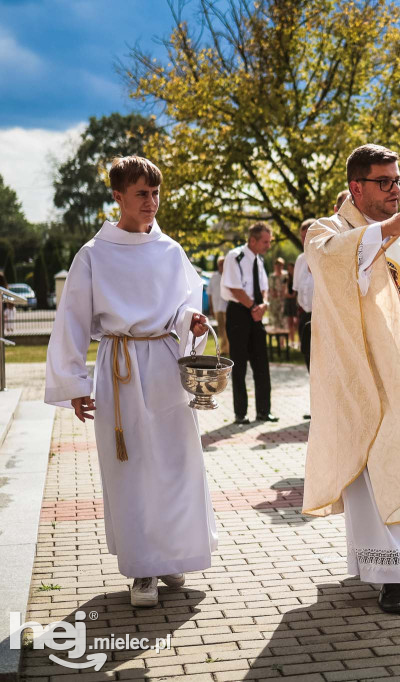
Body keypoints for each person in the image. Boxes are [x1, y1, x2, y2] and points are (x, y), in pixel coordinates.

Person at [44, 156, 216, 608]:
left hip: (163, 363)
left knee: (177, 464)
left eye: (156, 193)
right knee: (132, 468)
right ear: (118, 196)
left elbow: (182, 306)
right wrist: (75, 384)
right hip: (119, 368)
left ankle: (171, 555)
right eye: (141, 193)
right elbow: (72, 322)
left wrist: (191, 321)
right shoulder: (93, 255)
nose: (151, 202)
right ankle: (142, 570)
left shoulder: (171, 251)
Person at [301, 144, 400, 614]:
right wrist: (385, 230)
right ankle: (370, 563)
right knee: (365, 476)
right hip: (356, 376)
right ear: (356, 187)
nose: (394, 190)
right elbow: (327, 261)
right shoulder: (330, 230)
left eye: (397, 181)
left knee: (398, 462)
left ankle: (394, 577)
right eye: (384, 182)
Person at [221, 223, 276, 424]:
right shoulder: (235, 257)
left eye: (269, 241)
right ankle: (240, 413)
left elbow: (264, 288)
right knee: (239, 365)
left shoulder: (259, 261)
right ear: (252, 240)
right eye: (265, 241)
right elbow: (235, 289)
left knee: (261, 363)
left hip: (256, 313)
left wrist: (264, 305)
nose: (268, 245)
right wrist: (254, 307)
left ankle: (263, 411)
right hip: (239, 313)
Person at [293, 218, 315, 420]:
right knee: (309, 361)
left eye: (307, 236)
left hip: (322, 317)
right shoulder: (300, 260)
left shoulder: (326, 255)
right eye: (302, 237)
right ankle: (315, 406)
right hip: (304, 317)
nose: (304, 240)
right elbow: (297, 291)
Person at [209, 256, 229, 355]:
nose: (222, 265)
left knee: (228, 328)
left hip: (227, 307)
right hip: (217, 307)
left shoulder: (229, 276)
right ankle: (224, 348)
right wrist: (211, 307)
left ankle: (226, 349)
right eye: (220, 264)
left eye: (223, 263)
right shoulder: (214, 277)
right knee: (221, 329)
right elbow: (210, 293)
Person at [268, 257, 289, 329]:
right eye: (277, 265)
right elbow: (271, 289)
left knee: (283, 322)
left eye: (280, 265)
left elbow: (286, 286)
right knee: (275, 322)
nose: (278, 266)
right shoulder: (271, 276)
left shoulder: (285, 275)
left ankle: (282, 340)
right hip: (274, 302)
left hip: (283, 302)